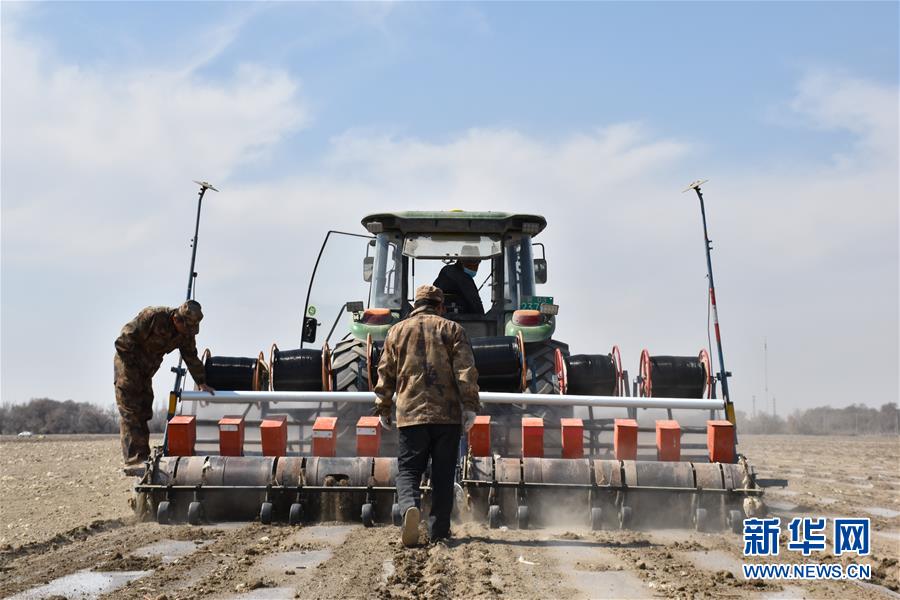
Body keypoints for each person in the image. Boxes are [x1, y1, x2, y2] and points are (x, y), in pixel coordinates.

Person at [374, 285, 480, 546]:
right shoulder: (454, 330)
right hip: (447, 417)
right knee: (444, 475)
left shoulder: (396, 331)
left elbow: (385, 372)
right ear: (440, 306)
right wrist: (470, 407)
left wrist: (384, 407)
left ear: (415, 305)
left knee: (409, 469)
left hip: (411, 415)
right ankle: (439, 531)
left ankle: (409, 506)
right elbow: (466, 372)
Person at [114, 300, 215, 466]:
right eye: (188, 328)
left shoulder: (185, 335)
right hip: (128, 367)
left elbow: (191, 356)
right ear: (177, 320)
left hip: (146, 371)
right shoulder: (153, 316)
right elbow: (123, 341)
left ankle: (143, 456)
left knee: (145, 410)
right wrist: (133, 368)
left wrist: (201, 382)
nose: (189, 333)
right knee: (131, 411)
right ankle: (134, 460)